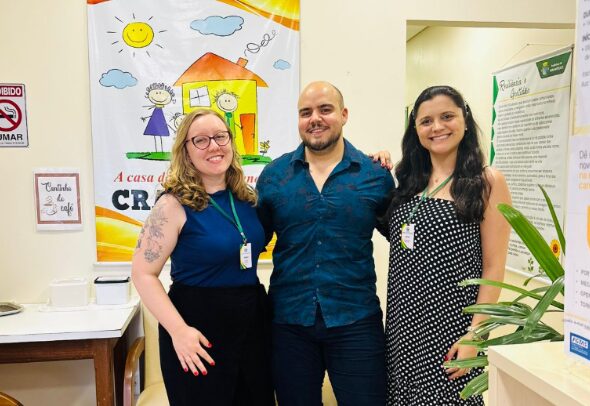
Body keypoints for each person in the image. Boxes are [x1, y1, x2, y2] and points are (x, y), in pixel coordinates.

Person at [256, 81, 395, 405]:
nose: (315, 118)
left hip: (356, 319)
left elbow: (403, 238)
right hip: (289, 321)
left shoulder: (374, 175)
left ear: (344, 115)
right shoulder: (274, 176)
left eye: (325, 109)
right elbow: (249, 239)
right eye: (306, 112)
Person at [132, 108, 274, 406]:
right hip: (196, 331)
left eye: (220, 137)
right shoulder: (171, 205)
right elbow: (143, 274)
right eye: (201, 140)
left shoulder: (247, 198)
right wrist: (178, 331)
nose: (214, 146)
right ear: (186, 150)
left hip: (252, 326)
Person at [383, 85, 511, 405]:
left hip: (452, 329)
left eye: (447, 117)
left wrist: (475, 334)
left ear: (464, 120)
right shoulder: (407, 183)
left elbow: (494, 267)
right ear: (415, 130)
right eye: (426, 121)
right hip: (404, 327)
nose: (437, 127)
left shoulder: (487, 181)